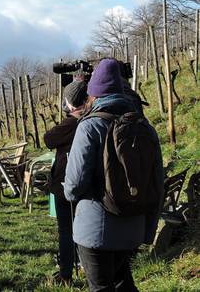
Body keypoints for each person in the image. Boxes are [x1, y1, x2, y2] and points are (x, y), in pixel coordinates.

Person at [64, 58, 164, 291]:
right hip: (133, 224)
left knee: (101, 287)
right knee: (123, 283)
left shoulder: (89, 126)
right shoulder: (145, 127)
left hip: (95, 228)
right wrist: (147, 229)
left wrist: (68, 189)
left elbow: (74, 186)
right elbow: (157, 181)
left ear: (93, 95)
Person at [43, 79, 88, 285]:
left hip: (65, 183)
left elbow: (49, 139)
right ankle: (85, 266)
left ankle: (66, 273)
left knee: (66, 231)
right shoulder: (92, 118)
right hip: (86, 182)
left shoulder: (72, 122)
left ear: (70, 103)